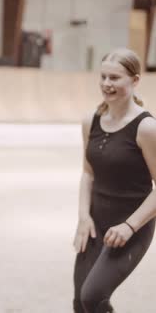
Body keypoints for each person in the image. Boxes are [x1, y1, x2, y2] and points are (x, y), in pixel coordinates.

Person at [73, 48, 156, 312]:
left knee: (92, 297)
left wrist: (129, 227)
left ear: (134, 81)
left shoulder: (146, 128)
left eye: (115, 78)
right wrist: (83, 217)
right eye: (103, 77)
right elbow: (88, 174)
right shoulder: (90, 121)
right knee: (80, 303)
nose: (107, 84)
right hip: (96, 224)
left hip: (132, 227)